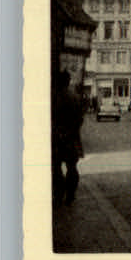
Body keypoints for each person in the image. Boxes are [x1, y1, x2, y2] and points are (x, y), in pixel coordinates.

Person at [51, 70, 84, 207]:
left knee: (56, 167)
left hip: (57, 137)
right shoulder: (75, 97)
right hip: (72, 137)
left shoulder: (53, 97)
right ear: (69, 81)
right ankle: (70, 195)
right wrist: (73, 131)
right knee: (72, 167)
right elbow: (80, 118)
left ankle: (59, 194)